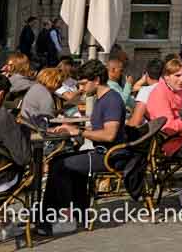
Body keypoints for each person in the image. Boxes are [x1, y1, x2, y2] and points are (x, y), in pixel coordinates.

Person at [43, 60, 125, 234]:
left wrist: (78, 132)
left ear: (96, 80)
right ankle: (74, 214)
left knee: (62, 166)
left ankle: (64, 218)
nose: (80, 87)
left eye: (83, 83)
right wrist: (74, 129)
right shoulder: (102, 98)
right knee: (59, 159)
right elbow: (99, 129)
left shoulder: (111, 100)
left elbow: (109, 134)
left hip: (110, 155)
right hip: (103, 151)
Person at [146, 57, 182, 158]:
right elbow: (168, 127)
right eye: (177, 76)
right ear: (166, 76)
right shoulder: (160, 94)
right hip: (173, 144)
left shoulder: (181, 91)